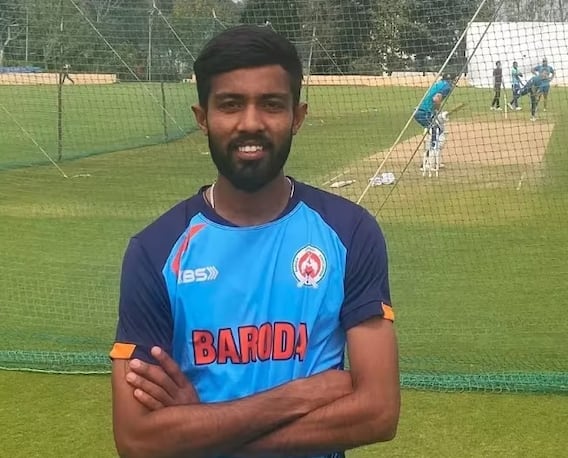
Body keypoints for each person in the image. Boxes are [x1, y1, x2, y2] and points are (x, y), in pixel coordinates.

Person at [109, 24, 400, 458]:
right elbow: (136, 439)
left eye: (271, 105)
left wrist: (203, 429)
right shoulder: (154, 251)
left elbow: (378, 413)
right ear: (202, 118)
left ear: (297, 117)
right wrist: (300, 395)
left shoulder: (350, 232)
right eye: (230, 105)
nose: (251, 123)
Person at [413, 73, 455, 171]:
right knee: (436, 134)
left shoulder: (439, 84)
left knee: (436, 132)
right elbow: (436, 99)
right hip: (424, 112)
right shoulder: (446, 87)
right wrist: (437, 110)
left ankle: (434, 161)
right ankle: (428, 163)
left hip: (422, 111)